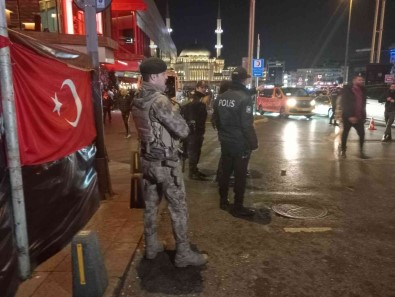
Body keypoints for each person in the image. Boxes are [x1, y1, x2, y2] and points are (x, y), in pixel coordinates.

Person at [131, 57, 208, 267]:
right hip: (165, 164)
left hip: (147, 161)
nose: (166, 78)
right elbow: (182, 130)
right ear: (154, 76)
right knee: (178, 207)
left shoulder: (138, 98)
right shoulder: (160, 100)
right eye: (164, 74)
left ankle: (151, 247)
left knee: (150, 206)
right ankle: (183, 253)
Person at [212, 67, 258, 217]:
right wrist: (253, 142)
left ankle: (223, 201)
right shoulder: (245, 98)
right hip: (240, 144)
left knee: (225, 173)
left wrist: (223, 135)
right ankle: (238, 206)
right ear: (244, 80)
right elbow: (246, 125)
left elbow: (216, 120)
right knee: (240, 175)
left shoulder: (221, 97)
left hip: (226, 141)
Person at [181, 80, 208, 180]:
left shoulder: (197, 98)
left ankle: (194, 169)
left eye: (205, 87)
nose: (204, 89)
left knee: (196, 151)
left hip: (197, 130)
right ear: (197, 88)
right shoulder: (195, 99)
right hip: (193, 130)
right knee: (193, 151)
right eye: (202, 87)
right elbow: (191, 114)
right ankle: (192, 172)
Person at [339, 75, 368, 159]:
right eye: (359, 80)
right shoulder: (347, 90)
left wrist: (364, 116)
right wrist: (349, 116)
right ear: (354, 80)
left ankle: (361, 152)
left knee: (362, 134)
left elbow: (363, 104)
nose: (361, 81)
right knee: (345, 134)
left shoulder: (363, 90)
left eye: (362, 80)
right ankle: (343, 151)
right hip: (348, 117)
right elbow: (344, 103)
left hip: (359, 117)